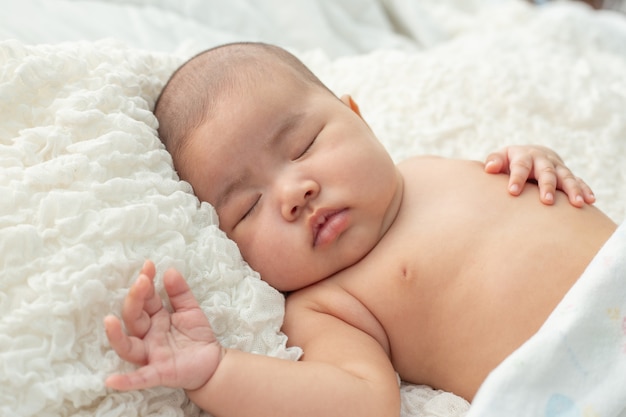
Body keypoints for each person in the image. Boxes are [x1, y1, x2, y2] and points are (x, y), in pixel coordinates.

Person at [104, 42, 617, 417]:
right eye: (248, 206)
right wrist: (213, 374)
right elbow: (359, 402)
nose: (293, 193)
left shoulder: (430, 167)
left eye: (303, 145)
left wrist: (536, 159)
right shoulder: (327, 302)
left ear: (358, 118)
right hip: (585, 372)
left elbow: (535, 203)